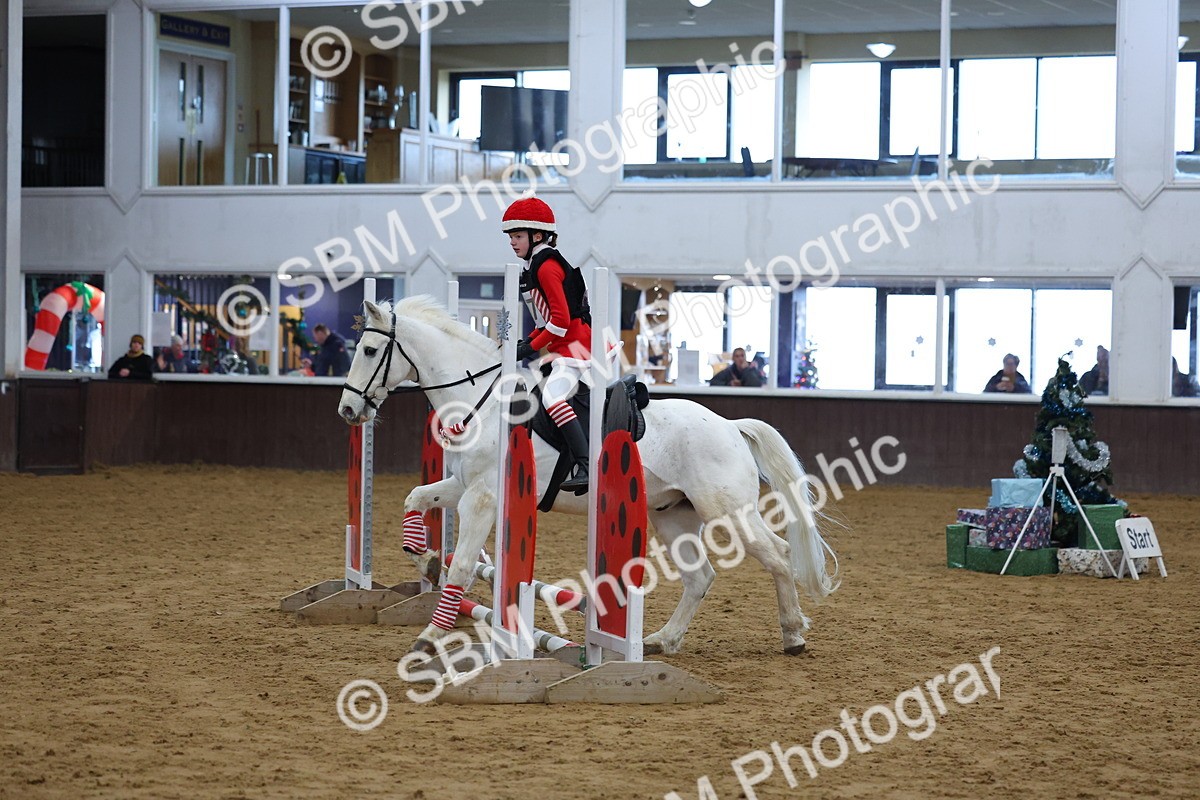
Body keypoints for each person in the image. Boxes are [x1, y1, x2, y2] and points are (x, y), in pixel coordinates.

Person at [503, 196, 593, 493]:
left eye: (517, 236)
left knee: (553, 399)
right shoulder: (534, 265)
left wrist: (530, 347)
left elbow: (561, 322)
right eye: (511, 237)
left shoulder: (546, 266)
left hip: (576, 346)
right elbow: (545, 324)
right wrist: (527, 342)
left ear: (536, 235)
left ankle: (585, 464)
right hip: (562, 347)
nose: (513, 243)